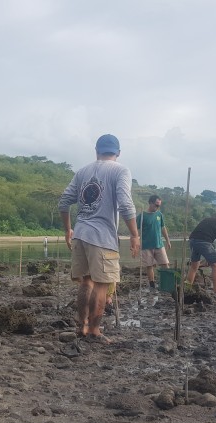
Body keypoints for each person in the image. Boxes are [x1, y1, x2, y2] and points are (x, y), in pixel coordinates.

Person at [58, 134, 139, 343]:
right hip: (102, 237)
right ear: (118, 153)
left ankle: (81, 326)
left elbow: (64, 201)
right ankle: (94, 330)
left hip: (81, 234)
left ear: (97, 151)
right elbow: (125, 204)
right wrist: (134, 234)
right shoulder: (121, 170)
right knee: (102, 284)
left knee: (85, 282)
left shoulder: (82, 171)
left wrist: (68, 229)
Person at [186, 208, 216, 295]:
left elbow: (206, 237)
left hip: (192, 240)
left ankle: (187, 289)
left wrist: (207, 260)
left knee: (194, 266)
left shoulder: (208, 219)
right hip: (204, 242)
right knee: (215, 265)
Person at [137, 194, 172, 289]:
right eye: (156, 205)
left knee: (165, 264)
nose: (157, 207)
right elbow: (135, 230)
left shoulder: (159, 215)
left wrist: (168, 240)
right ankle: (152, 285)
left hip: (159, 244)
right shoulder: (142, 216)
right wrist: (135, 243)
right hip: (146, 245)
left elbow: (163, 228)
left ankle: (168, 283)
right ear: (150, 203)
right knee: (149, 265)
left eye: (159, 205)